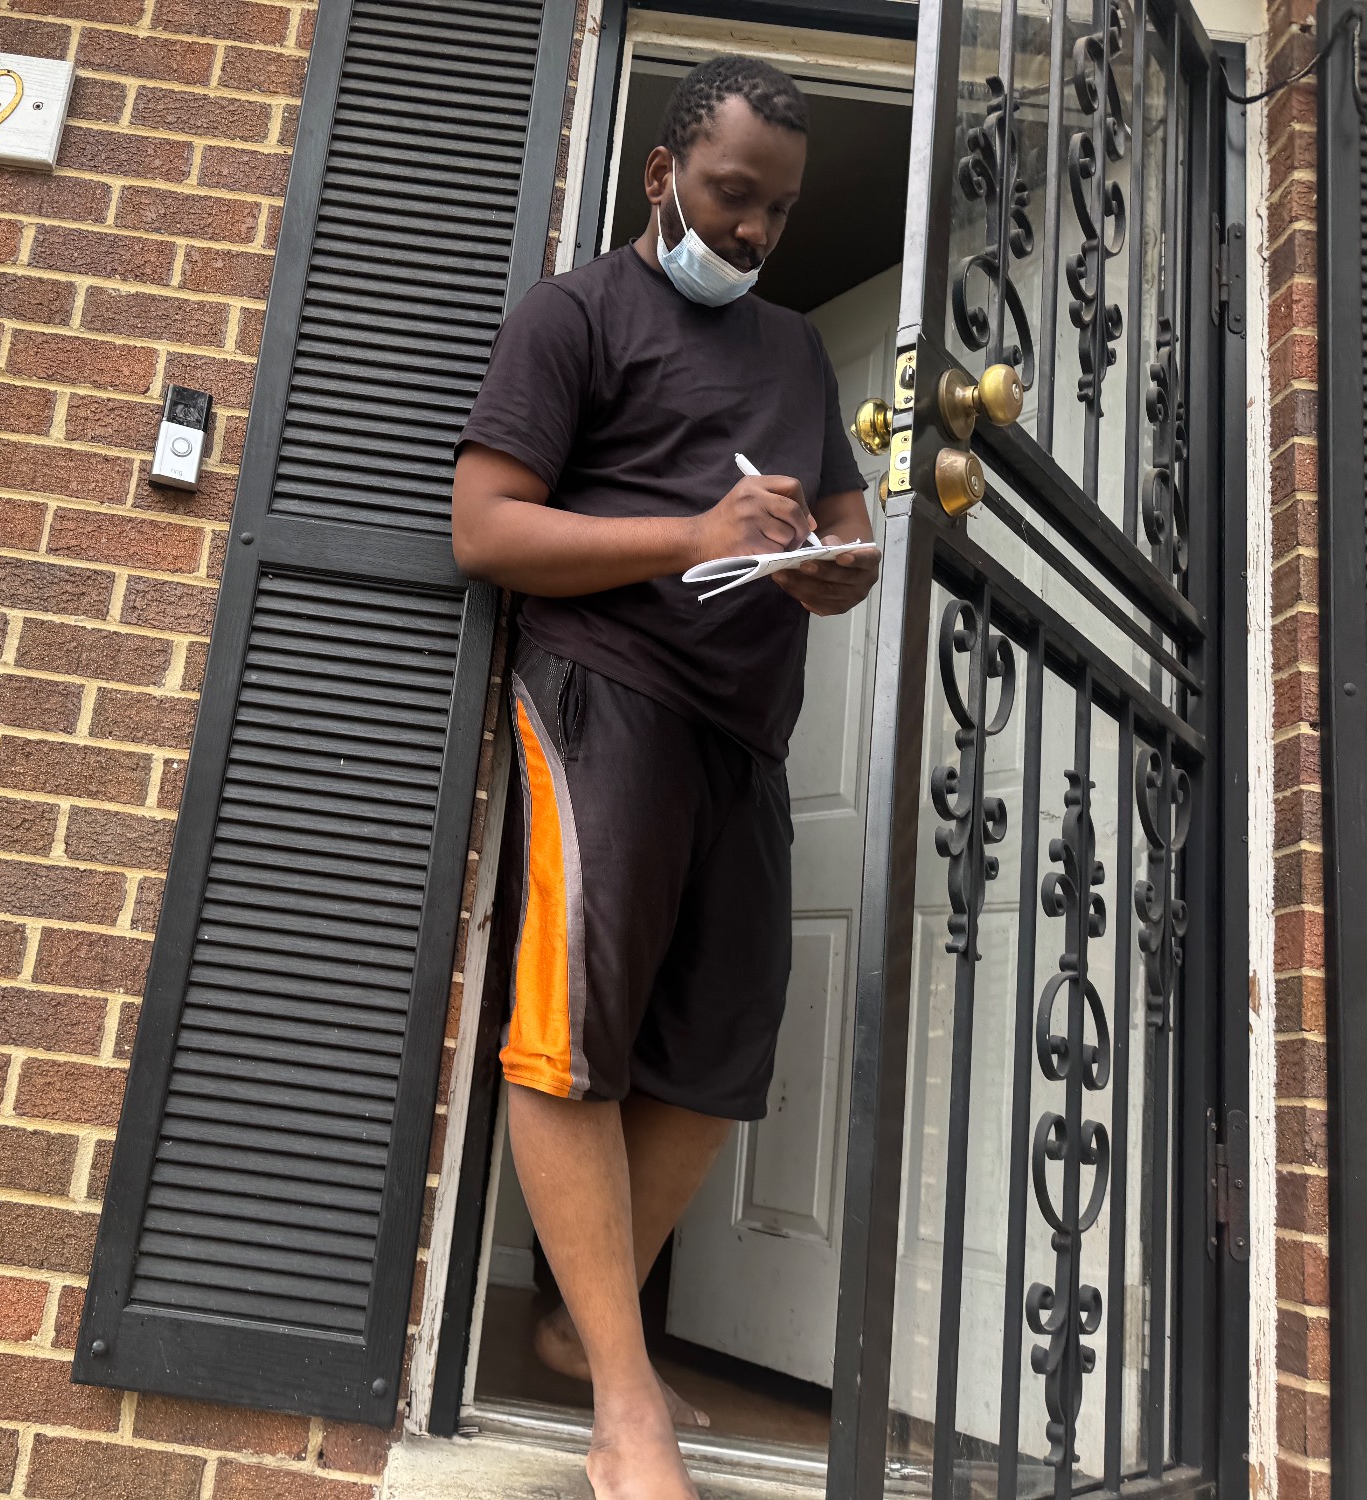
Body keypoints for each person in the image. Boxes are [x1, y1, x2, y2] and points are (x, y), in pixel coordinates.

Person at [450, 54, 881, 1500]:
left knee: (718, 1053)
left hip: (746, 733)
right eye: (731, 194)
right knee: (575, 1031)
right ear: (662, 174)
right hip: (602, 696)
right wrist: (692, 536)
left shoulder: (799, 351)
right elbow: (486, 529)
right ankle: (624, 1409)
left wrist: (836, 568)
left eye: (778, 209)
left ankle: (582, 1330)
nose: (754, 229)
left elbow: (844, 522)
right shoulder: (574, 315)